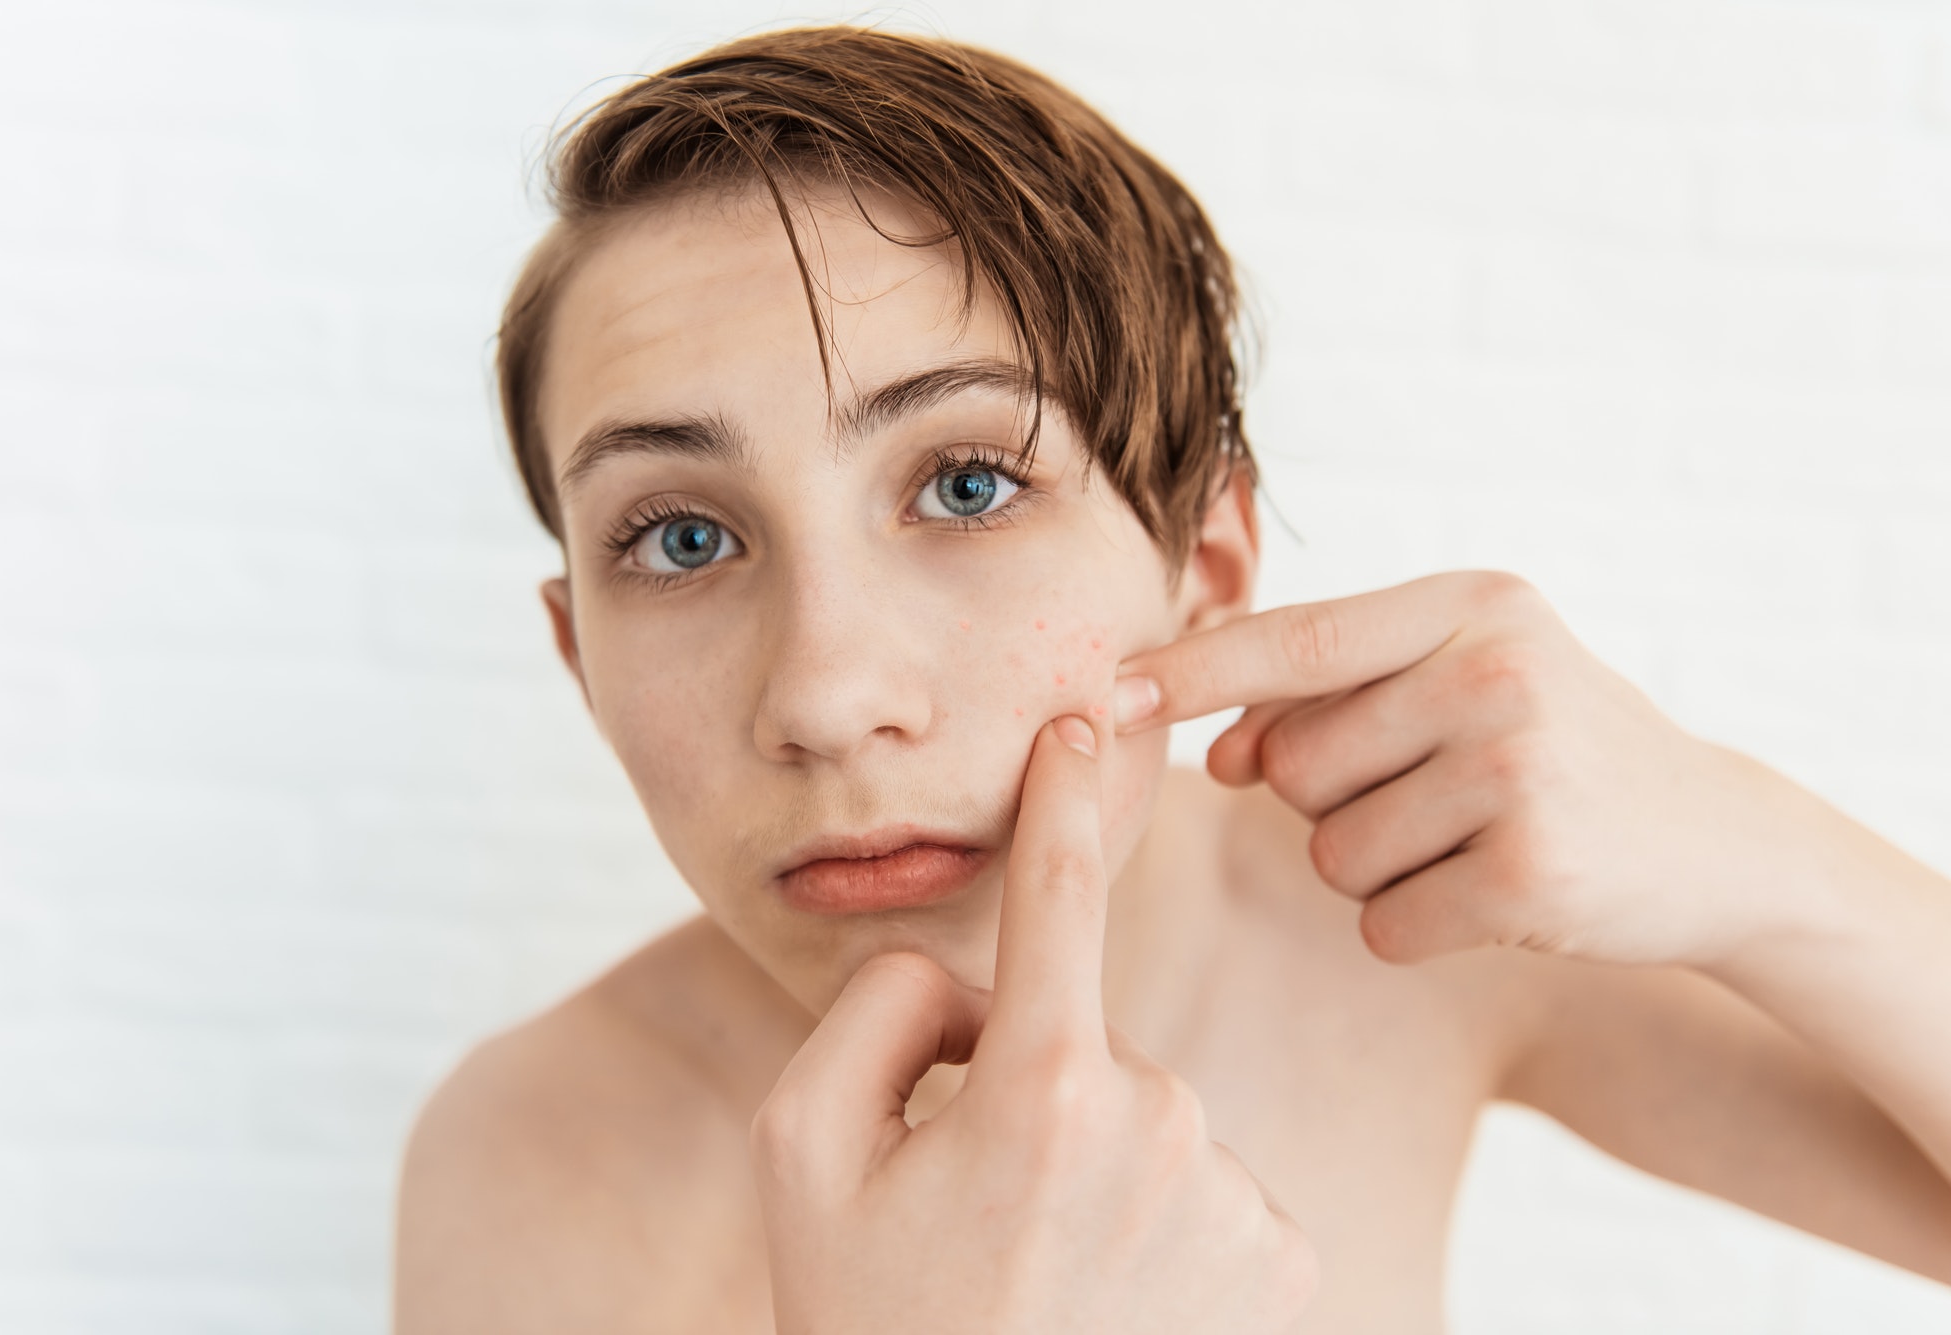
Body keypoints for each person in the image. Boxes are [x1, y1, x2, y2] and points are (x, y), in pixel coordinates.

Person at [392, 25, 1951, 1332]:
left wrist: (1762, 852)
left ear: (1202, 566)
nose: (827, 696)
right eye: (678, 537)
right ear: (579, 656)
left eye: (966, 487)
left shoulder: (1403, 923)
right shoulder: (532, 1153)